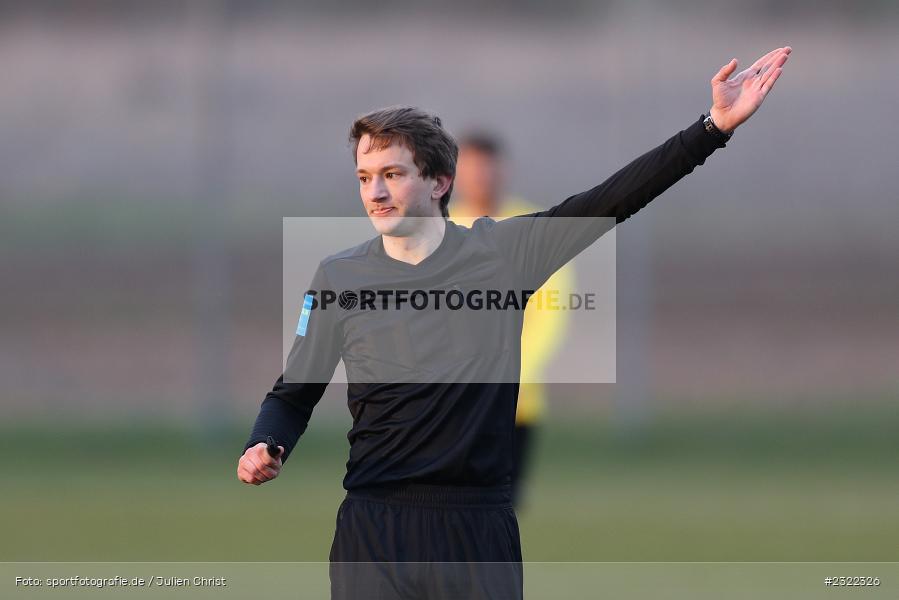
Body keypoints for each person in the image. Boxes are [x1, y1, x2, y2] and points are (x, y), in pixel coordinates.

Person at [237, 47, 791, 599]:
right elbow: (293, 394)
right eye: (364, 177)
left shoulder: (501, 255)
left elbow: (613, 199)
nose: (375, 192)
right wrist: (266, 442)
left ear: (438, 182)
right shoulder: (340, 276)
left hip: (476, 529)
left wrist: (712, 127)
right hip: (374, 529)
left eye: (391, 174)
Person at [451, 132, 575, 506]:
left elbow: (553, 309)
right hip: (450, 402)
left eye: (486, 167)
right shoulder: (439, 227)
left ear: (503, 170)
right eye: (470, 168)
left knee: (500, 508)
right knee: (447, 507)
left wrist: (513, 367)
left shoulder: (533, 226)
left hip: (516, 401)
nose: (480, 177)